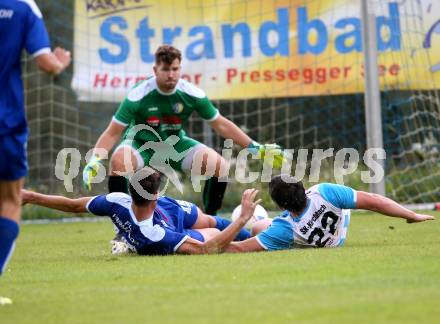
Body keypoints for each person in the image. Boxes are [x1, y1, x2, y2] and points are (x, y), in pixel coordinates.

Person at [82, 44, 284, 217]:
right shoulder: (138, 95)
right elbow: (112, 132)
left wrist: (254, 147)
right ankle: (123, 228)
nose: (171, 75)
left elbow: (220, 123)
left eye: (175, 69)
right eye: (166, 69)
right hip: (141, 144)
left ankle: (209, 221)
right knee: (118, 161)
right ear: (155, 70)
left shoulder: (191, 93)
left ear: (180, 69)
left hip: (175, 144)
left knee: (219, 166)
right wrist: (95, 159)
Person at [0, 0, 71, 304]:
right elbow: (46, 63)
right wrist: (60, 62)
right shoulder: (23, 7)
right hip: (5, 120)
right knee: (9, 200)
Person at [21, 169, 259, 255]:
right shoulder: (153, 235)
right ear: (154, 196)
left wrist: (31, 196)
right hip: (170, 230)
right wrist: (241, 219)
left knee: (208, 218)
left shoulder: (117, 201)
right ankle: (259, 236)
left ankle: (255, 232)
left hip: (166, 212)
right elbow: (209, 249)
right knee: (211, 232)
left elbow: (72, 205)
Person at [217, 175, 435, 253]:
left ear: (281, 207)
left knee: (257, 227)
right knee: (349, 199)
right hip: (338, 235)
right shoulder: (324, 192)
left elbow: (238, 248)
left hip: (305, 235)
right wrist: (411, 214)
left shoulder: (285, 229)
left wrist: (243, 219)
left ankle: (257, 219)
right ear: (304, 189)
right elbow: (376, 203)